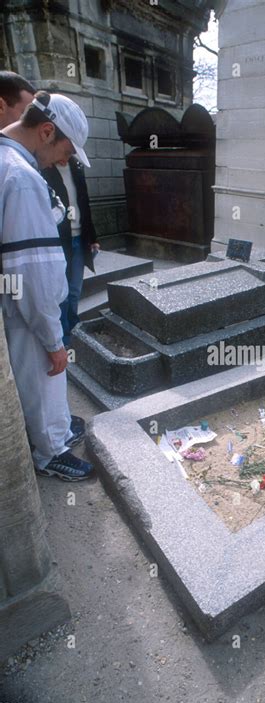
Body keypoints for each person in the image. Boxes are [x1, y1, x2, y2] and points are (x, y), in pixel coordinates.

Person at [0, 89, 94, 480]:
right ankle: (49, 451)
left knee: (42, 376)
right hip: (26, 306)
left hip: (19, 300)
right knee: (44, 371)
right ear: (47, 131)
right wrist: (54, 340)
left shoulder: (11, 163)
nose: (65, 160)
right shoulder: (21, 178)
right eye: (68, 151)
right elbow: (30, 270)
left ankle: (54, 428)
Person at [43, 157, 100, 346]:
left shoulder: (76, 165)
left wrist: (93, 238)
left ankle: (74, 329)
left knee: (74, 290)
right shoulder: (45, 167)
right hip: (60, 239)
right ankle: (64, 336)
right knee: (62, 292)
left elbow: (85, 203)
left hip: (80, 237)